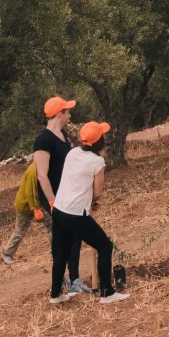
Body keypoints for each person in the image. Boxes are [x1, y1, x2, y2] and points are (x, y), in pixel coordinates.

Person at [50, 121, 130, 305]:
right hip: (76, 214)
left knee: (62, 253)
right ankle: (107, 293)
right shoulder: (97, 162)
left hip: (59, 210)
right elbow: (98, 192)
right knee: (105, 246)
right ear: (100, 142)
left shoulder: (72, 153)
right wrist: (92, 200)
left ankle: (55, 295)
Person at [22, 96, 88, 293]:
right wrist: (52, 201)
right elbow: (42, 175)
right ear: (60, 114)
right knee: (66, 236)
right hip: (53, 197)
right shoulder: (43, 140)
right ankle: (67, 281)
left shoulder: (62, 135)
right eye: (67, 112)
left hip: (67, 194)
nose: (70, 115)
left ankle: (71, 279)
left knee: (73, 235)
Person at [0, 158, 44, 262]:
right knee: (20, 231)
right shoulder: (34, 170)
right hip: (25, 205)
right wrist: (35, 209)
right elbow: (29, 193)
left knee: (52, 224)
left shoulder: (42, 167)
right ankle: (7, 253)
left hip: (36, 204)